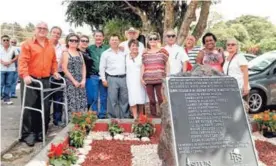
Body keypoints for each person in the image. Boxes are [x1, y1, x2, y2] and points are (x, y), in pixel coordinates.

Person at [18, 22, 60, 146]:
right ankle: (28, 134)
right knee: (30, 107)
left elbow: (53, 61)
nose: (42, 30)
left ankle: (41, 131)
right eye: (39, 28)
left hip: (45, 79)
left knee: (45, 107)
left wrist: (55, 71)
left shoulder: (50, 45)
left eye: (44, 28)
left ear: (47, 31)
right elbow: (23, 61)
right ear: (35, 30)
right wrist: (25, 75)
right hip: (30, 79)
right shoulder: (27, 44)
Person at [99, 34, 129, 119]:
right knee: (112, 99)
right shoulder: (105, 53)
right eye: (112, 40)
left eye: (116, 40)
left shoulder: (124, 52)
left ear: (119, 41)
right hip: (112, 79)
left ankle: (125, 117)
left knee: (124, 99)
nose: (114, 41)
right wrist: (103, 80)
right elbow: (102, 67)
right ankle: (113, 118)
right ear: (109, 42)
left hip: (123, 78)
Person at [141, 32, 169, 117]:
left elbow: (167, 64)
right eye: (150, 39)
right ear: (148, 41)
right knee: (151, 99)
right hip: (148, 79)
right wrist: (141, 78)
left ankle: (163, 115)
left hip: (160, 79)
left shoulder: (163, 51)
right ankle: (153, 116)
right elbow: (142, 65)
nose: (152, 40)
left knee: (161, 98)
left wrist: (167, 76)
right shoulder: (145, 52)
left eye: (154, 38)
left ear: (158, 40)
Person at [62, 33, 87, 113]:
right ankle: (72, 121)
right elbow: (64, 69)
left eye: (76, 40)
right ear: (67, 41)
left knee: (81, 100)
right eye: (71, 40)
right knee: (72, 101)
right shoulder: (66, 53)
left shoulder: (80, 53)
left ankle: (82, 120)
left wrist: (83, 80)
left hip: (80, 80)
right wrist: (74, 81)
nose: (73, 42)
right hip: (70, 81)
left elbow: (83, 67)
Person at [87, 30, 109, 119]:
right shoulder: (90, 48)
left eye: (100, 36)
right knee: (94, 96)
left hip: (104, 75)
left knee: (104, 96)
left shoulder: (107, 48)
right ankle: (95, 113)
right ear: (94, 37)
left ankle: (103, 114)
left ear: (103, 37)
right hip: (93, 75)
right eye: (97, 36)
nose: (98, 37)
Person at [126, 39, 148, 119]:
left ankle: (141, 117)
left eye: (136, 45)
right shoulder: (126, 56)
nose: (135, 47)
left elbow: (144, 66)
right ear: (129, 47)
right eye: (133, 46)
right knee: (133, 98)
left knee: (141, 98)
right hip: (130, 81)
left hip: (140, 80)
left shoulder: (142, 56)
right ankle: (135, 117)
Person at [49, 26, 66, 126]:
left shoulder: (62, 47)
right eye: (54, 32)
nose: (56, 35)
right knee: (47, 99)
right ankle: (45, 120)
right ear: (50, 33)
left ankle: (57, 119)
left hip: (59, 75)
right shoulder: (45, 45)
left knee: (58, 98)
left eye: (58, 33)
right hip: (47, 75)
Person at [1, 35, 19, 104]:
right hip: (1, 69)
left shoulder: (13, 49)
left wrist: (10, 62)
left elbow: (17, 56)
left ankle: (7, 99)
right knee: (1, 84)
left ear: (9, 41)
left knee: (8, 84)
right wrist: (3, 62)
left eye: (7, 40)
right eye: (4, 40)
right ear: (1, 41)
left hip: (11, 69)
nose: (6, 41)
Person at [78, 35, 94, 110]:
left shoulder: (88, 51)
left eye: (86, 41)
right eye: (82, 41)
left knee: (90, 97)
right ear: (79, 42)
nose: (84, 42)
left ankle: (86, 113)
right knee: (81, 97)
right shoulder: (76, 51)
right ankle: (80, 115)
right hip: (80, 78)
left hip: (89, 77)